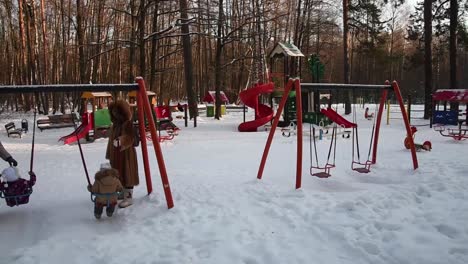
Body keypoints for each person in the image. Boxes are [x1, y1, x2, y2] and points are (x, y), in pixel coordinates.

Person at [106, 100, 139, 208]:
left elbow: (130, 137)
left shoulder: (127, 123)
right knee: (118, 174)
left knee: (127, 174)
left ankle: (128, 197)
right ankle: (121, 193)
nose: (115, 115)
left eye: (117, 113)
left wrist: (121, 141)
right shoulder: (115, 125)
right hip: (116, 155)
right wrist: (109, 153)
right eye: (113, 113)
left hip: (127, 155)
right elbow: (110, 141)